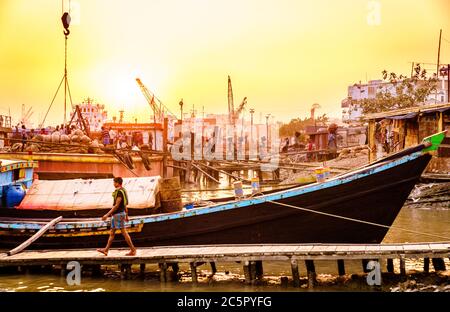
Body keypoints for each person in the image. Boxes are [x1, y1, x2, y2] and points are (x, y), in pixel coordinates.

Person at [97, 177, 136, 256]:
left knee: (124, 232)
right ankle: (106, 250)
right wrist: (127, 215)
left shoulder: (119, 192)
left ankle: (133, 250)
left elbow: (116, 206)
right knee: (112, 233)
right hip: (118, 214)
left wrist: (107, 215)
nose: (113, 184)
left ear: (118, 183)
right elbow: (124, 204)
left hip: (118, 214)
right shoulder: (122, 190)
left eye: (114, 182)